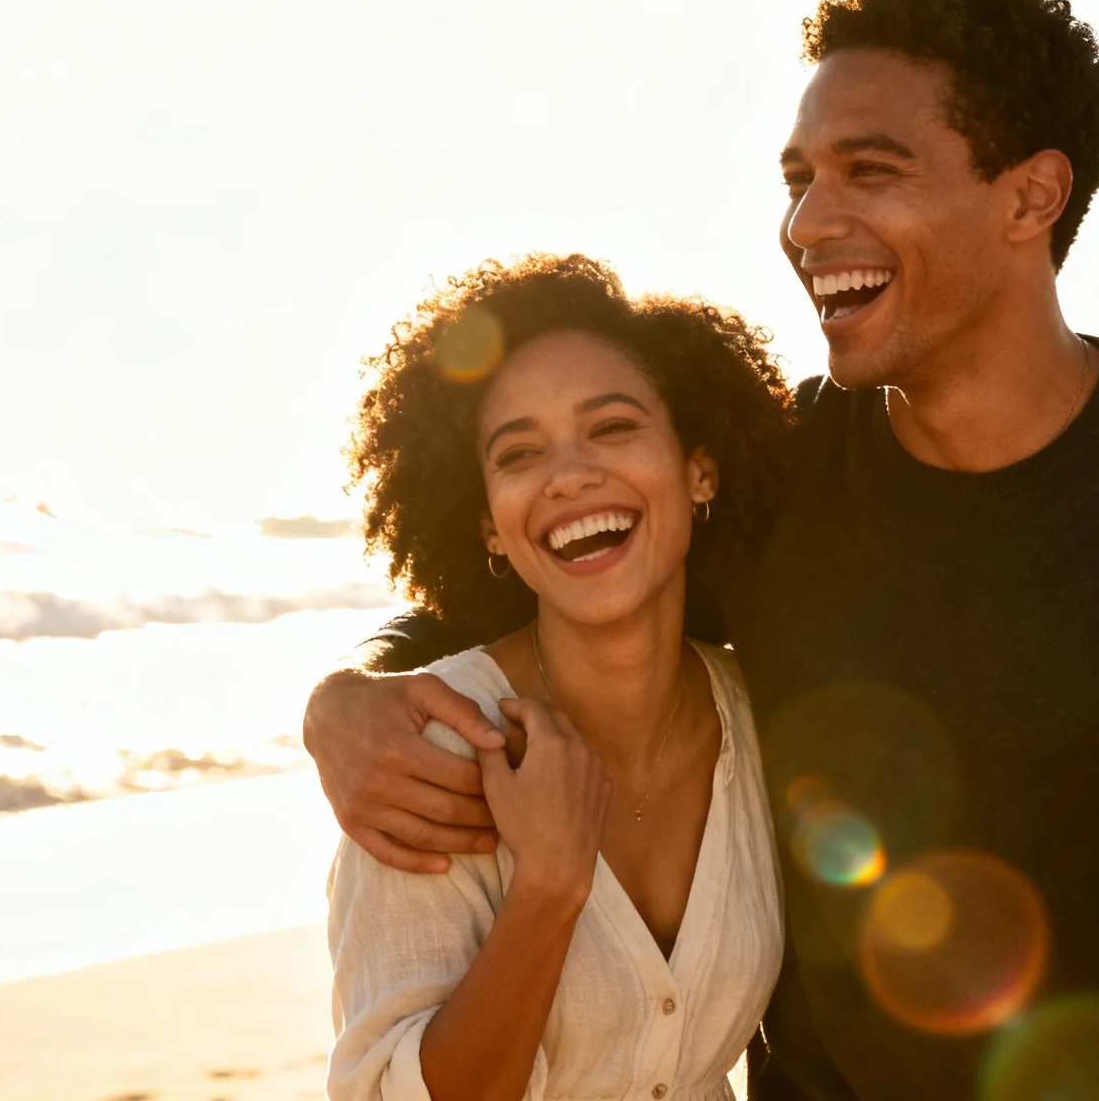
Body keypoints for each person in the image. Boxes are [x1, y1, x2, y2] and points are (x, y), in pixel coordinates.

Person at [306, 0, 1099, 1101]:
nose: (806, 223)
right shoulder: (776, 481)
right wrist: (340, 707)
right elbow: (544, 592)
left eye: (868, 172)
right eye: (797, 179)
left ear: (1029, 198)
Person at [325, 254, 799, 1101]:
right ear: (489, 527)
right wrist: (547, 884)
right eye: (519, 454)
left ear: (701, 468)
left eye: (613, 428)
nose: (569, 476)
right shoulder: (428, 754)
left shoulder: (763, 719)